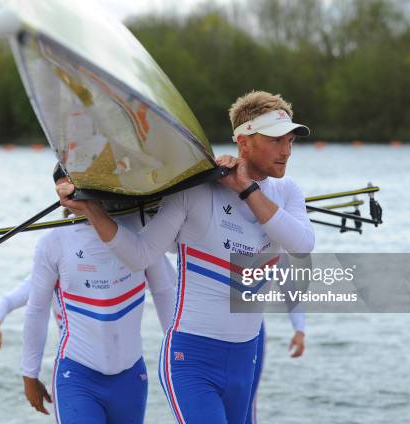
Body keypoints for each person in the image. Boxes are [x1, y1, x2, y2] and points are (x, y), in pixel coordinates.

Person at [57, 90, 314, 423]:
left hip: (245, 359)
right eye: (276, 140)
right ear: (244, 141)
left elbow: (302, 244)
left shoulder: (288, 191)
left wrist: (247, 190)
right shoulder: (196, 192)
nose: (286, 151)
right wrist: (91, 210)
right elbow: (140, 255)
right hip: (190, 360)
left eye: (290, 141)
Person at [23, 165, 177, 424]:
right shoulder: (53, 241)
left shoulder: (138, 230)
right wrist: (29, 373)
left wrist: (179, 355)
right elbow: (36, 309)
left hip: (131, 378)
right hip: (77, 376)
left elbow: (164, 292)